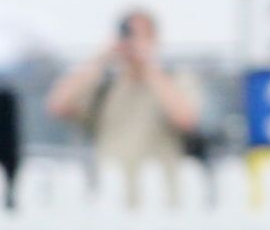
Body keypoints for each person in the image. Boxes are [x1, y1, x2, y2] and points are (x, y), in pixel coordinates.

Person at [48, 9, 199, 169]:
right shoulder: (105, 87)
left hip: (159, 181)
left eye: (142, 35)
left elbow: (186, 120)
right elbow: (58, 106)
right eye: (128, 34)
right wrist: (101, 57)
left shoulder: (176, 79)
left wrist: (148, 66)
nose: (132, 42)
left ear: (154, 39)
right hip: (112, 180)